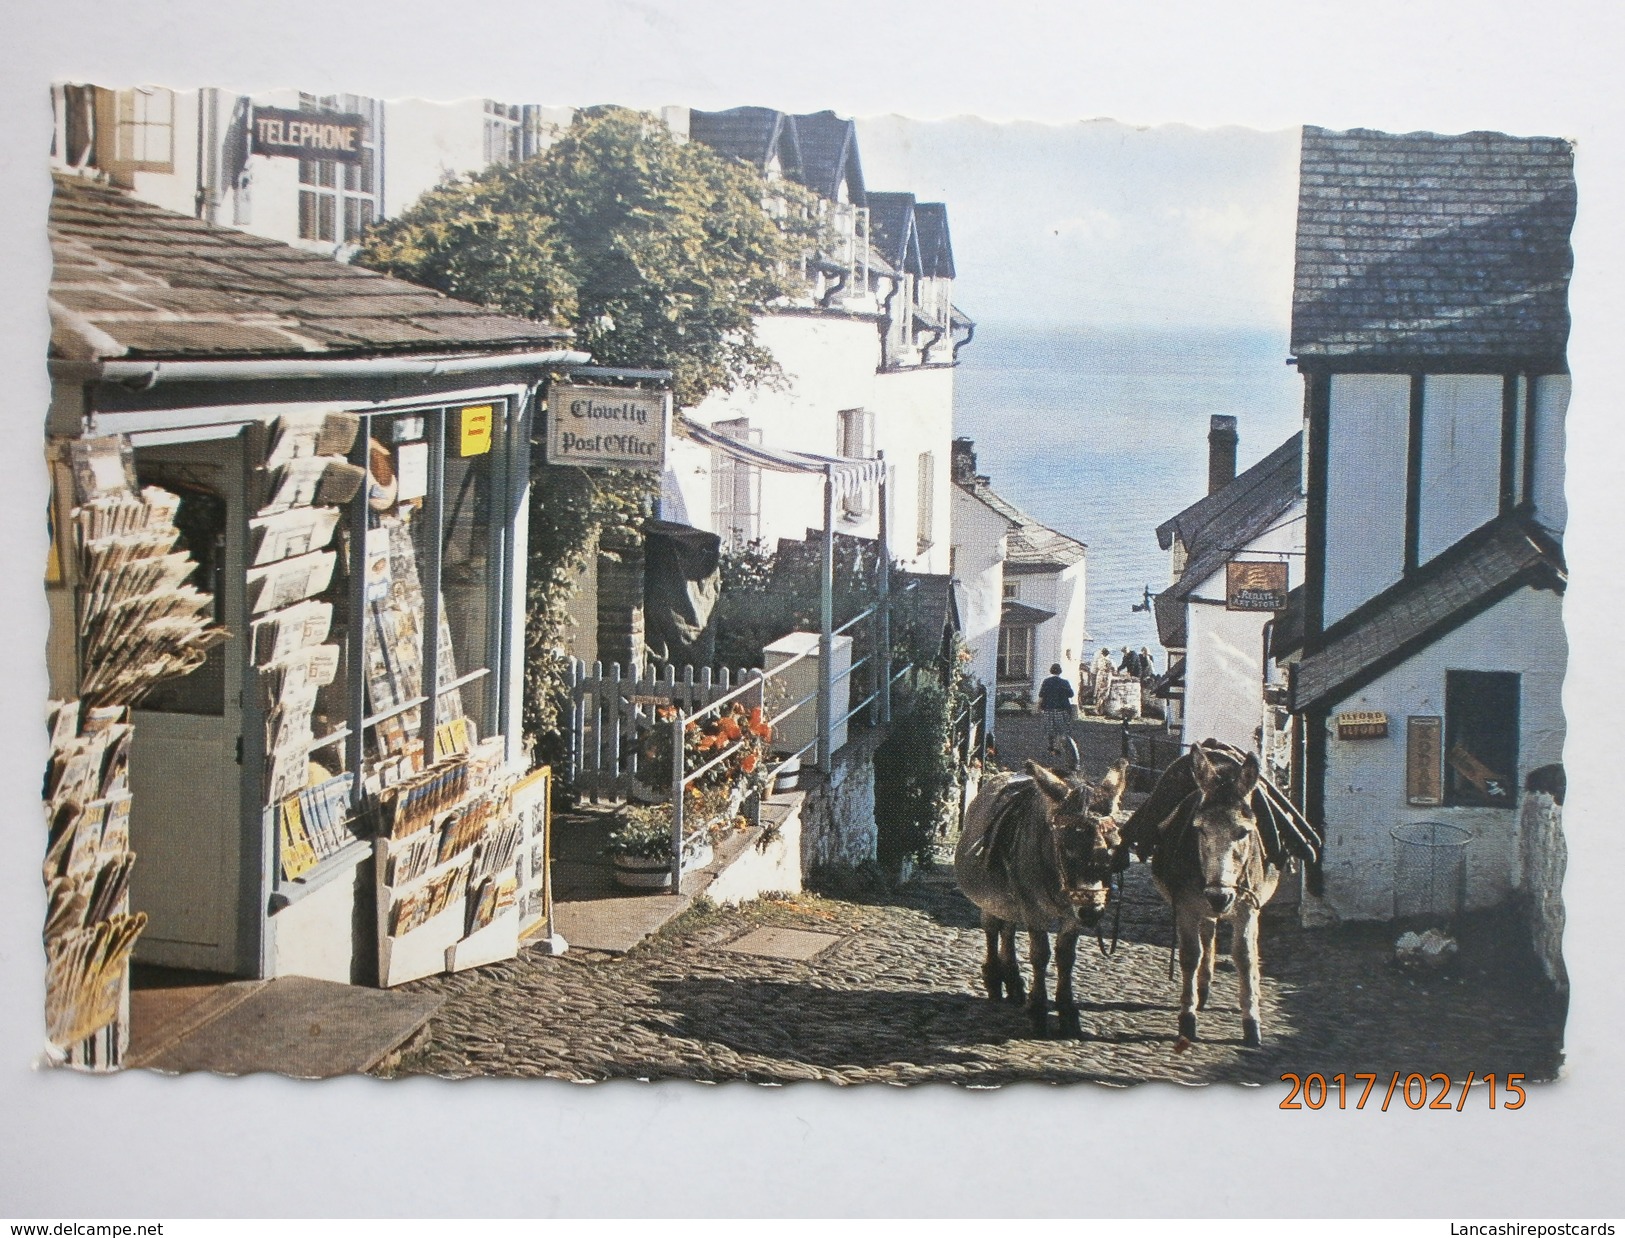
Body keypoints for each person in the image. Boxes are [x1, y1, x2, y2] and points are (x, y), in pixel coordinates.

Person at [1038, 662, 1075, 752]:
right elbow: (1071, 694)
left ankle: (1051, 746)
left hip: (1049, 708)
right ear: (1060, 671)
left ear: (1051, 671)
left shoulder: (1046, 682)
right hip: (1061, 709)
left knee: (1050, 729)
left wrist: (1039, 706)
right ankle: (1058, 747)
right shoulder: (1064, 682)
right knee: (1061, 729)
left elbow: (1041, 695)